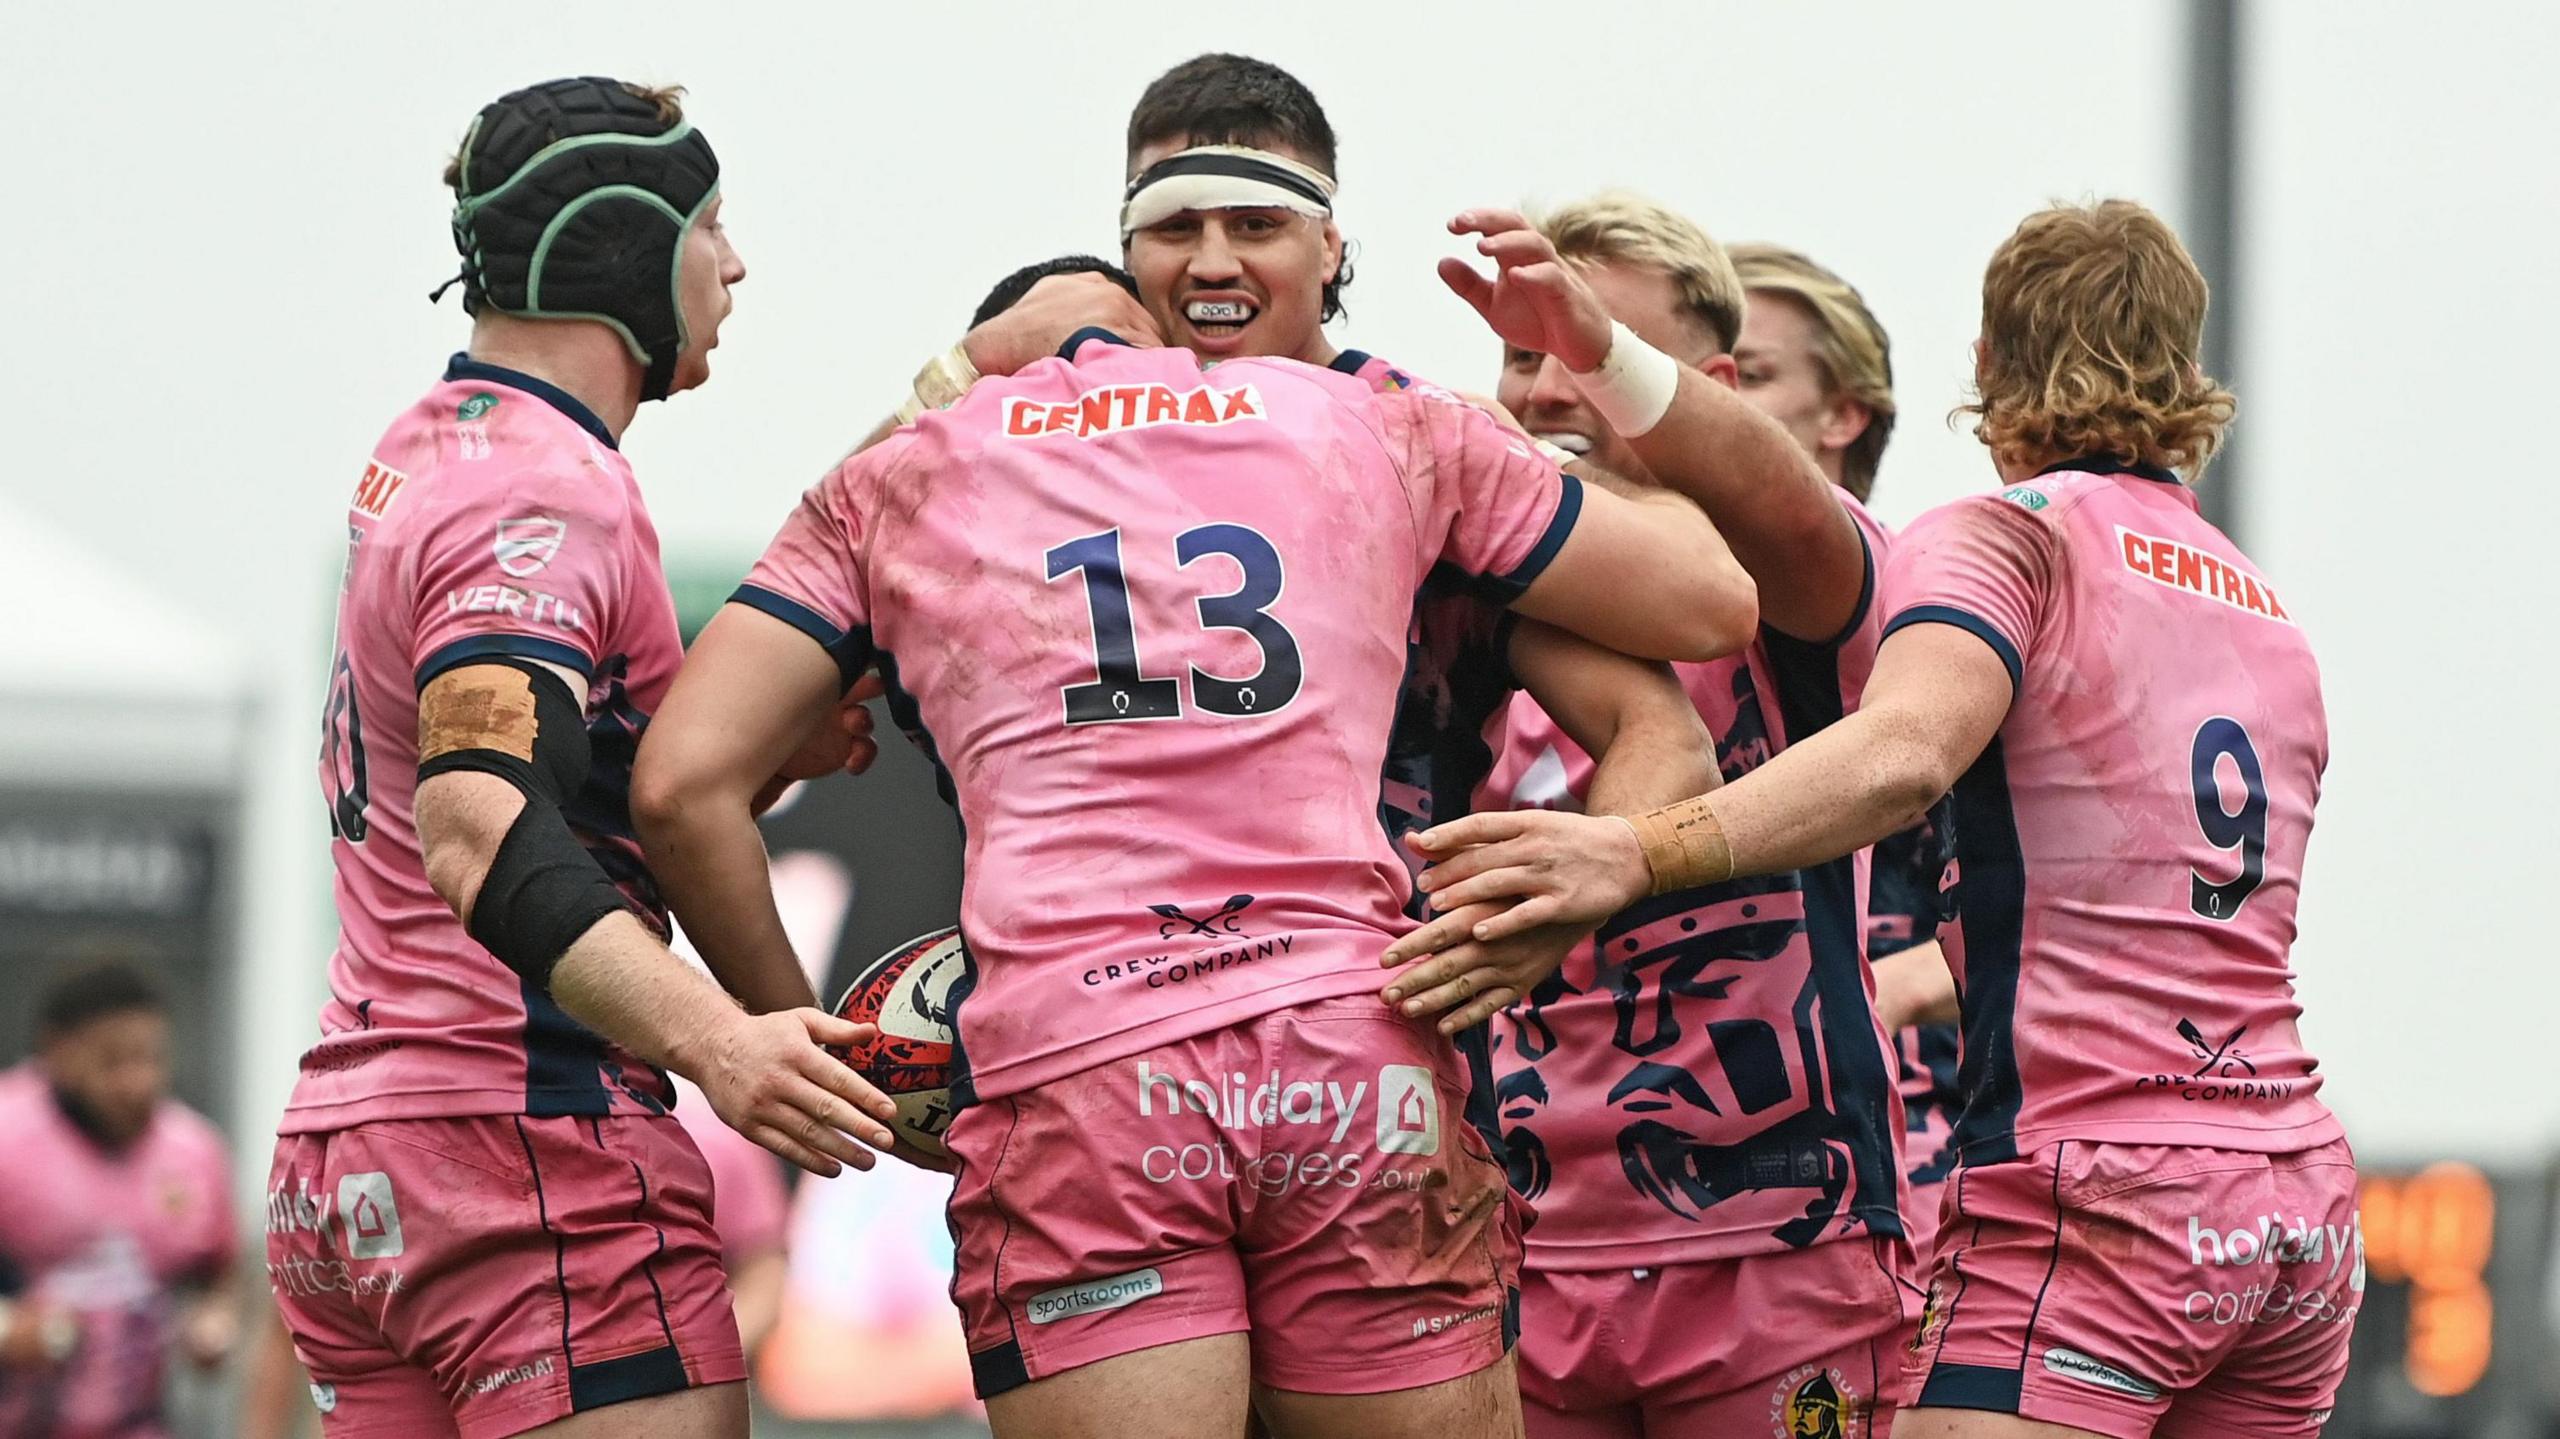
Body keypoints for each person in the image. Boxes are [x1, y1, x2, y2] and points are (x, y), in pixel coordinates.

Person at [629, 246, 1767, 1439]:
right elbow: (1706, 611)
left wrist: (817, 1051)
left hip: (1084, 1077)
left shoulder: (912, 468)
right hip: (1354, 1057)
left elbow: (681, 784)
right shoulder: (1357, 418)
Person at [1395, 199, 2358, 1439]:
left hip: (2059, 1193)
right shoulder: (2260, 603)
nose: (1546, 392)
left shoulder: (2005, 538)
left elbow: (1902, 751)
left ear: (1985, 369)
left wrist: (1633, 850)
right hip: (2283, 1188)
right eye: (1525, 364)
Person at [266, 76, 906, 1439]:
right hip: (523, 1146)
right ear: (622, 244)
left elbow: (563, 764)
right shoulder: (543, 490)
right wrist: (721, 1042)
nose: (735, 262)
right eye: (711, 222)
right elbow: (479, 822)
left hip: (358, 1154)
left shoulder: (436, 441)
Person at [1400, 195, 1914, 1438]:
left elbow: (1777, 502)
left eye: (1584, 353)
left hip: (1775, 1244)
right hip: (1517, 1255)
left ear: (1710, 387)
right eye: (1523, 357)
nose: (1546, 391)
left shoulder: (1796, 585)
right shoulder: (1464, 609)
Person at [1728, 241, 1966, 1261]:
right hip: (1677, 1173)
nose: (1710, 399)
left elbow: (2084, 892)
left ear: (1843, 415)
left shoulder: (1943, 625)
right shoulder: (1625, 619)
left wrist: (1897, 982)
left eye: (1753, 373)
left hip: (1910, 1174)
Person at [0, 961, 236, 1439]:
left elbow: (218, 1278)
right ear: (58, 1052)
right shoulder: (8, 1134)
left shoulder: (194, 1150)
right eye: (113, 1060)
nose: (138, 1081)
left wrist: (212, 1325)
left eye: (151, 1058)